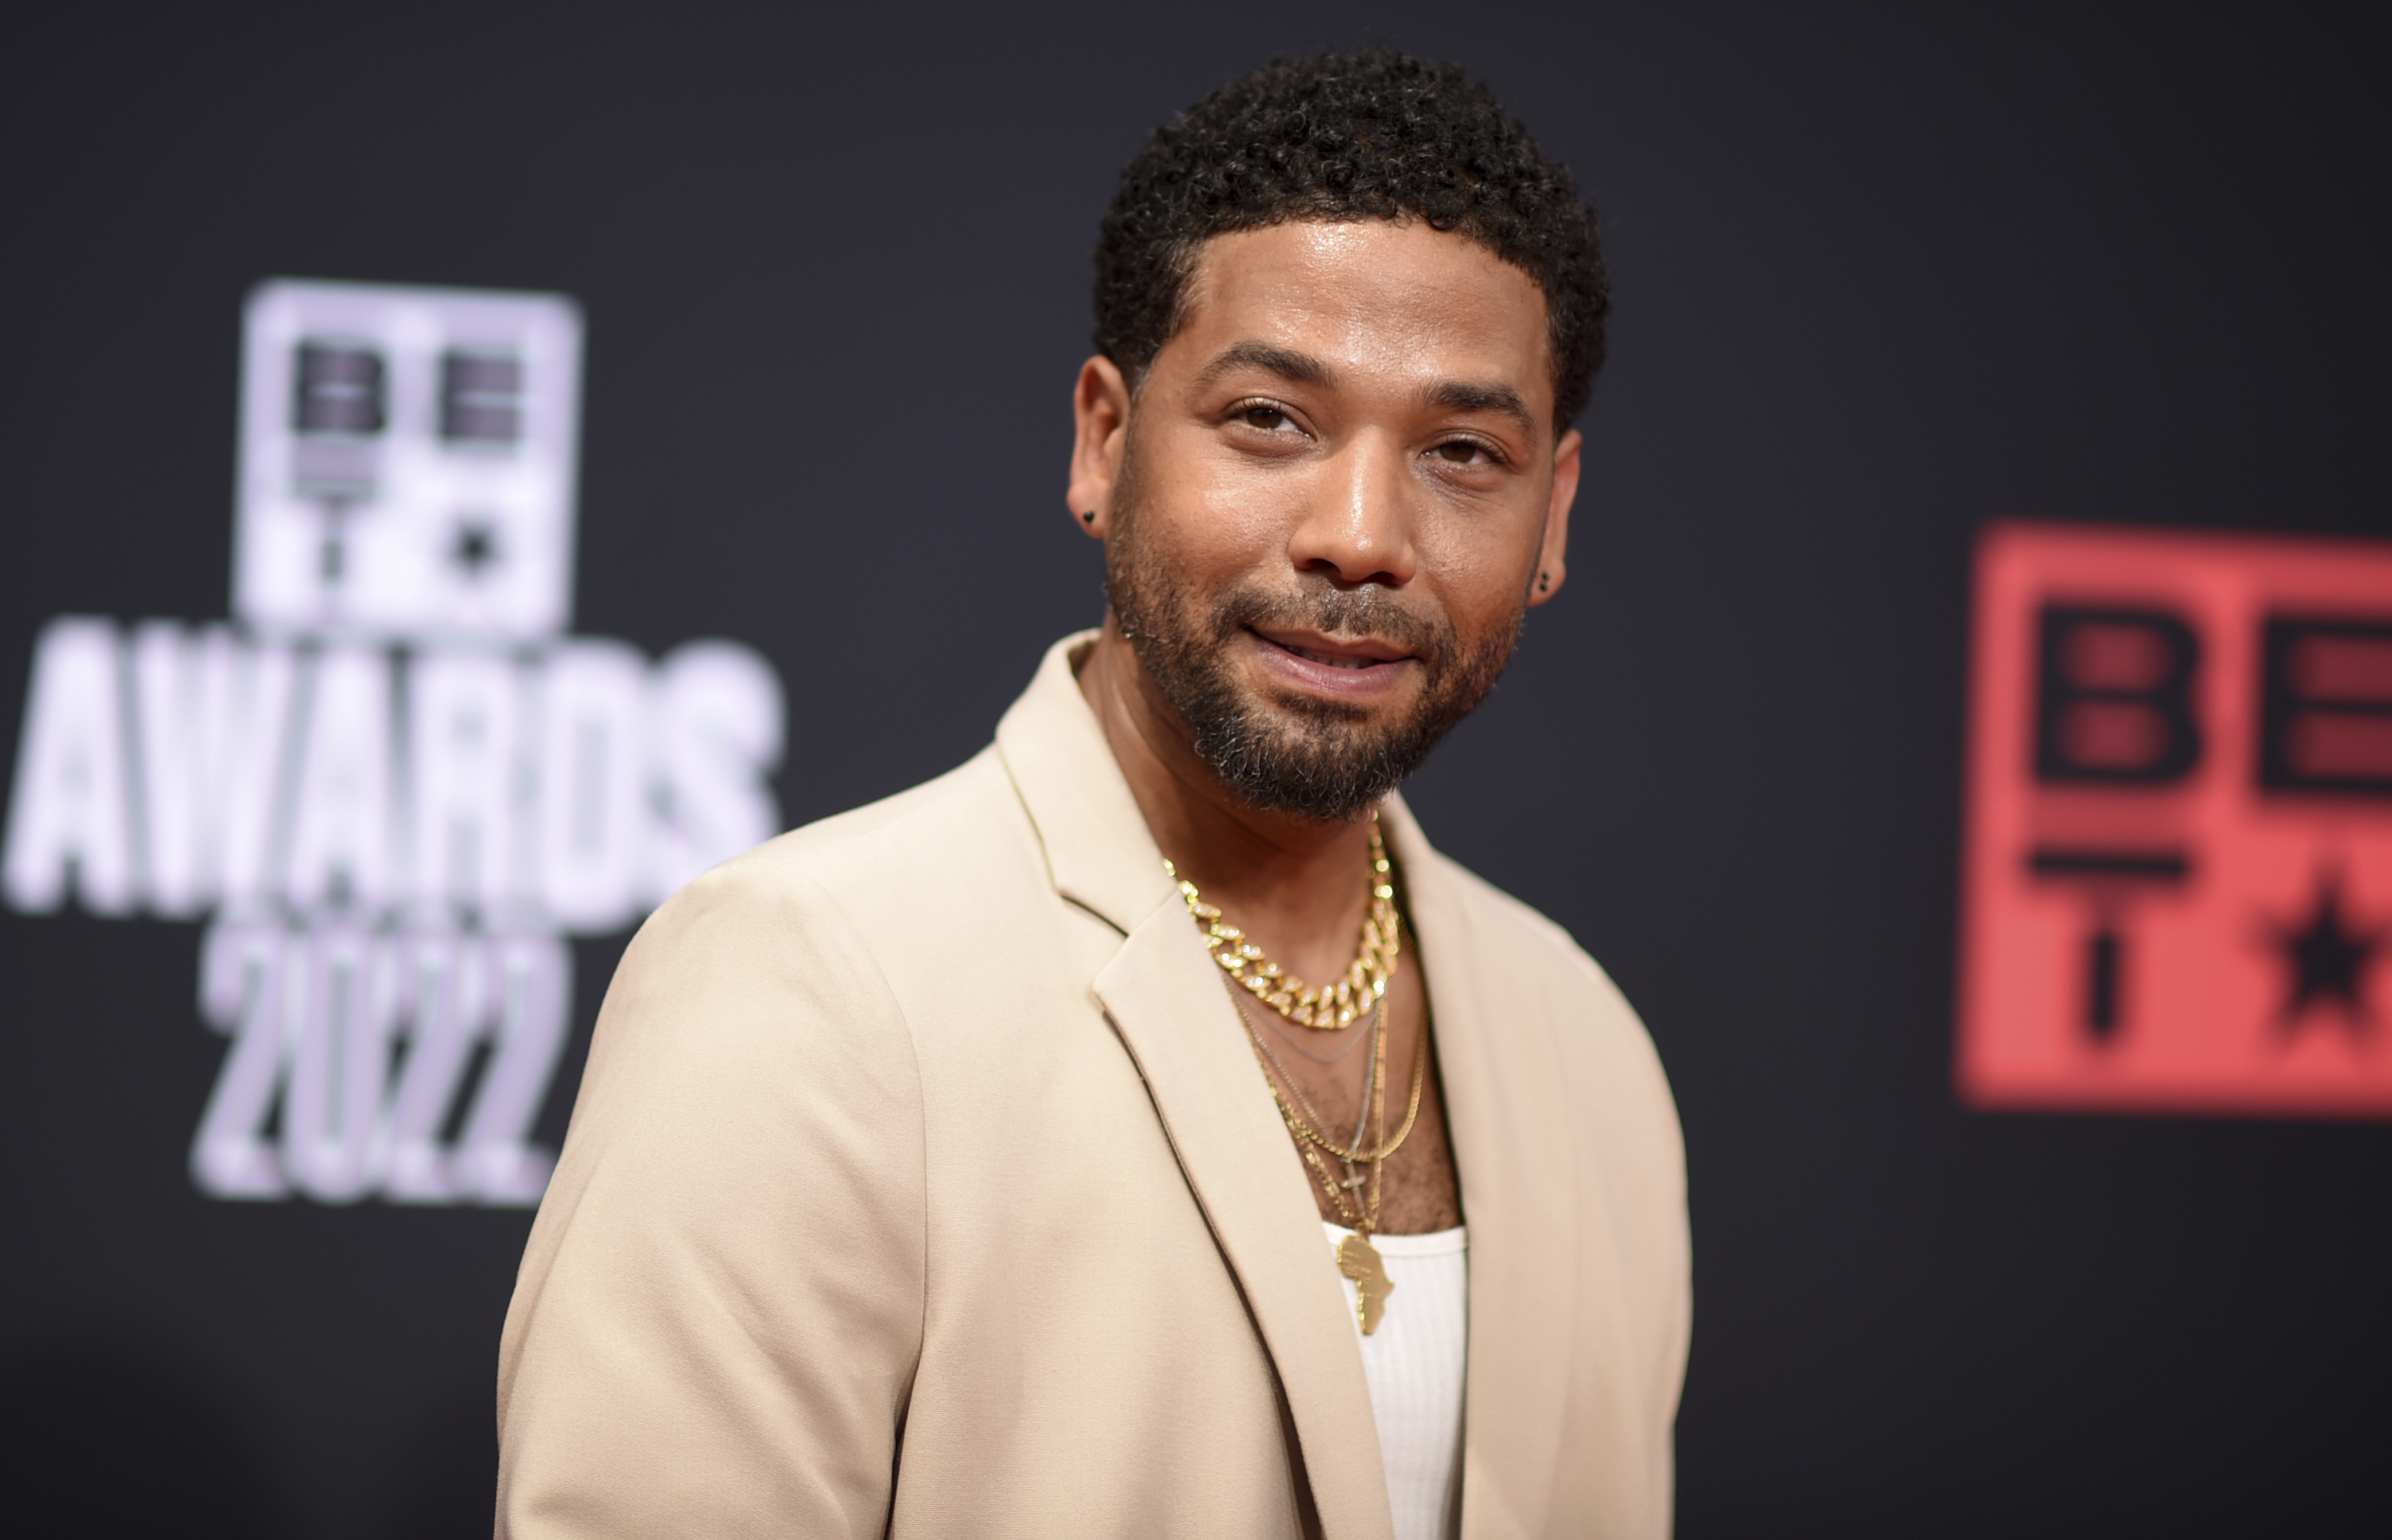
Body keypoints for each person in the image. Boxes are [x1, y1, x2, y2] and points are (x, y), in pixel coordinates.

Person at [497, 49, 1689, 1540]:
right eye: (1272, 420)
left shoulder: (1587, 1050)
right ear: (1105, 443)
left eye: (1462, 453)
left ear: (1554, 513)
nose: (1362, 536)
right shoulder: (811, 989)